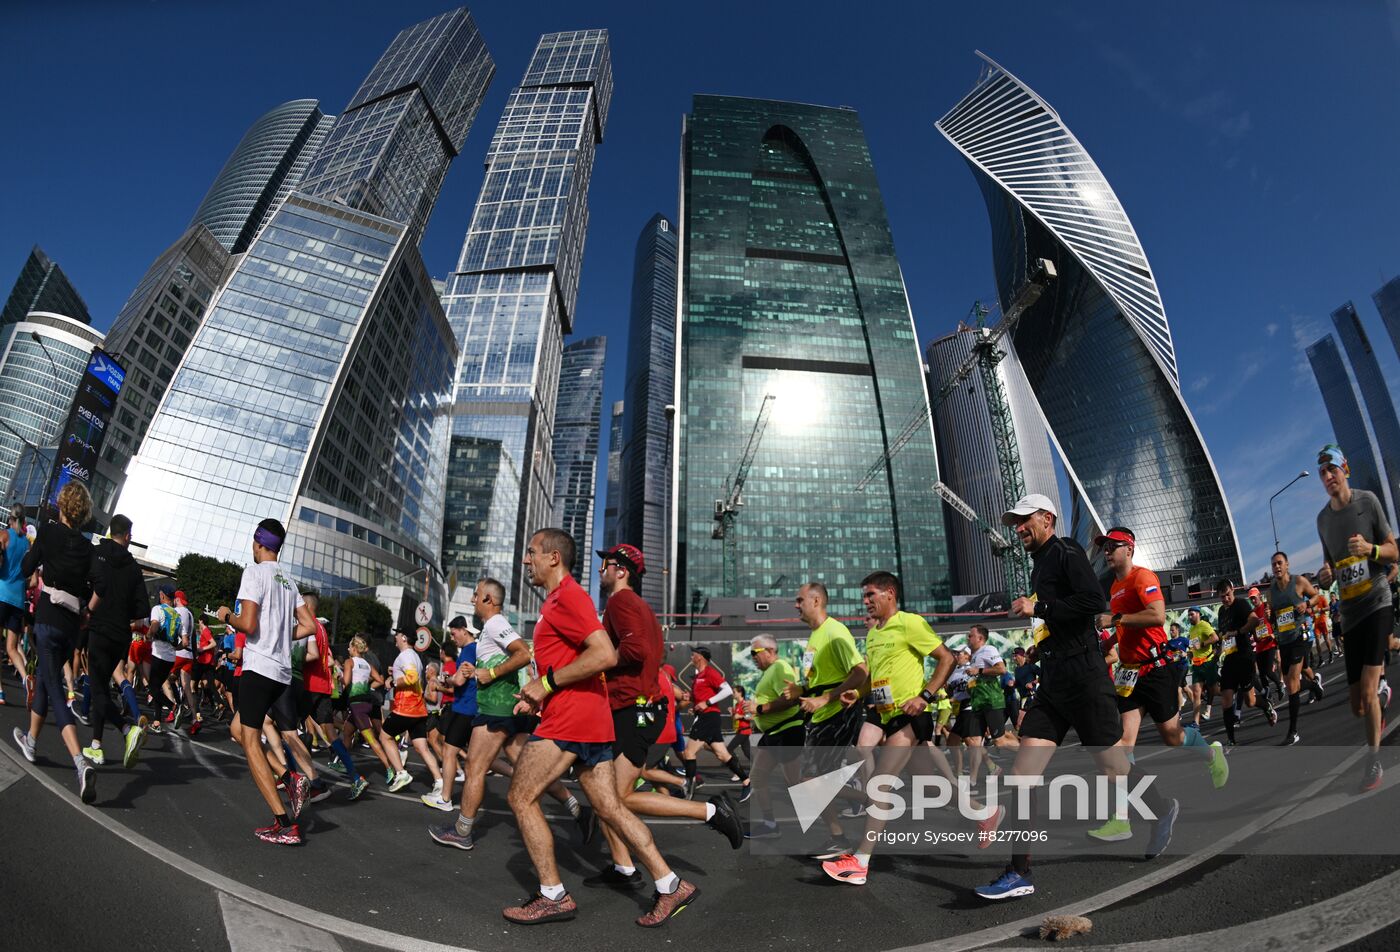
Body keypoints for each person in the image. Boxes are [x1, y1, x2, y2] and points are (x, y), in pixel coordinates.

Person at [502, 528, 698, 927]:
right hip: (592, 717)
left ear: (554, 557)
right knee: (609, 806)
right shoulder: (565, 599)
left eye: (532, 553)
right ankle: (669, 883)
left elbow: (605, 654)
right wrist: (537, 692)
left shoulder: (567, 597)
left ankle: (552, 895)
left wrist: (548, 683)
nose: (527, 561)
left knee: (521, 798)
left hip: (571, 719)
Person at [974, 494, 1129, 901]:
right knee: (1025, 772)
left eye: (1025, 520)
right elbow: (1062, 615)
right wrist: (1043, 640)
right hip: (1055, 680)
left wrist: (1038, 607)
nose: (1019, 528)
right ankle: (1019, 871)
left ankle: (1161, 806)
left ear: (1047, 519)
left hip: (1085, 676)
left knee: (1113, 767)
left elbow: (1094, 602)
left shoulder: (1064, 550)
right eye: (1016, 523)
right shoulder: (1040, 562)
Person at [586, 543, 741, 889]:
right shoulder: (639, 607)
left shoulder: (621, 602)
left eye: (606, 565)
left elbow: (635, 650)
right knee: (603, 797)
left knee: (616, 799)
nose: (601, 571)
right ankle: (624, 868)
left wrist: (596, 660)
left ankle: (712, 812)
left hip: (634, 710)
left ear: (621, 570)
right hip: (635, 708)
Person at [1085, 528, 1225, 847]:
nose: (1106, 551)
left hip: (1157, 670)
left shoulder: (1141, 576)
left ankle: (1210, 753)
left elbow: (1157, 615)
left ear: (1129, 549)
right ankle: (1121, 819)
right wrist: (1110, 641)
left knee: (1172, 737)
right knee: (1123, 745)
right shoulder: (1116, 586)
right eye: (1103, 547)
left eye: (1112, 546)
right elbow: (1124, 632)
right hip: (1130, 674)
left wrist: (1116, 620)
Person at [428, 578, 588, 850]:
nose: (472, 600)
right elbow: (503, 659)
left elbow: (523, 653)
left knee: (475, 767)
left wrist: (489, 673)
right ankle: (578, 809)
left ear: (489, 599)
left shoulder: (495, 623)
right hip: (504, 708)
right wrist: (474, 672)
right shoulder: (489, 629)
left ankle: (462, 831)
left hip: (495, 710)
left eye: (476, 595)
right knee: (526, 768)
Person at [820, 571, 957, 885]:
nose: (865, 602)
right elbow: (873, 677)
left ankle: (860, 862)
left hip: (910, 714)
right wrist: (858, 692)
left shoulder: (909, 622)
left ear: (890, 593)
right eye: (864, 596)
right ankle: (981, 811)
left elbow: (946, 659)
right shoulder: (873, 633)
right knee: (931, 787)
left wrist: (925, 696)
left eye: (871, 595)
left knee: (880, 784)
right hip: (884, 714)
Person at [215, 519, 316, 844]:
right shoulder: (288, 580)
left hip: (259, 671)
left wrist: (225, 616)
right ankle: (289, 777)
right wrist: (281, 637)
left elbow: (247, 623)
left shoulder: (254, 572)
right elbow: (310, 625)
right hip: (281, 674)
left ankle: (285, 823)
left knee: (249, 741)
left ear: (258, 544)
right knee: (238, 730)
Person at [1313, 444, 1396, 791]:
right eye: (1322, 474)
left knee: (1366, 691)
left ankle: (1373, 763)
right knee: (1357, 707)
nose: (1328, 477)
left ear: (1345, 468)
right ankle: (1382, 690)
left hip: (1377, 601)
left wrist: (1371, 550)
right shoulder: (1322, 520)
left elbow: (1393, 550)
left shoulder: (1368, 502)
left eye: (1332, 469)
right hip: (1349, 614)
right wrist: (1326, 575)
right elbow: (1329, 564)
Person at [12, 485, 98, 803]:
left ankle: (80, 762)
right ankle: (31, 740)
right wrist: (87, 609)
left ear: (62, 505)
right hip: (71, 625)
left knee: (57, 693)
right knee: (48, 684)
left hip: (47, 620)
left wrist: (34, 565)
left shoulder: (48, 532)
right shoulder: (88, 548)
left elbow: (25, 568)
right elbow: (97, 585)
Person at [82, 514, 151, 769]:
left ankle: (126, 729)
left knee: (98, 688)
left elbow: (85, 581)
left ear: (111, 532)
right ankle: (97, 745)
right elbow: (142, 607)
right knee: (102, 684)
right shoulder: (134, 568)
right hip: (120, 634)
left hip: (98, 627)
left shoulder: (97, 553)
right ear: (128, 535)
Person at [1268, 551, 1326, 745]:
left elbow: (1317, 596)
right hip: (1284, 640)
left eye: (1279, 563)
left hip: (1299, 637)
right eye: (1273, 564)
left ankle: (1293, 732)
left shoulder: (1299, 582)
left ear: (1287, 565)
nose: (1276, 567)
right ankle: (1313, 685)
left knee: (1292, 681)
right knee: (1291, 681)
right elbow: (1274, 616)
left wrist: (1306, 603)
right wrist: (1272, 620)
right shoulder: (1271, 591)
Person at [381, 629, 443, 796]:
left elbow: (412, 677)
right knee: (422, 748)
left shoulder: (405, 655)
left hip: (405, 708)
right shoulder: (415, 656)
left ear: (403, 637)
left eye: (397, 634)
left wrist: (394, 682)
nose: (394, 637)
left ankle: (401, 773)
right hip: (419, 709)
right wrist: (394, 673)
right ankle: (439, 781)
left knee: (384, 736)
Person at [424, 616, 476, 810]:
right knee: (475, 758)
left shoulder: (469, 651)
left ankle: (445, 799)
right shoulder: (472, 650)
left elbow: (460, 681)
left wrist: (449, 680)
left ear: (463, 630)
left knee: (449, 752)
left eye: (454, 633)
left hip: (463, 708)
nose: (453, 639)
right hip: (467, 708)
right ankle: (516, 772)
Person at [1215, 579, 1275, 744]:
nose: (1226, 599)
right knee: (1226, 699)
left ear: (1232, 590)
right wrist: (1217, 651)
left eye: (1227, 595)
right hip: (1229, 660)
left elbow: (1254, 620)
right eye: (1222, 597)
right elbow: (1223, 635)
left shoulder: (1240, 604)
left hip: (1244, 657)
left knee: (1250, 701)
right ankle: (1231, 740)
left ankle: (1267, 706)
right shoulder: (1221, 611)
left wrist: (1239, 632)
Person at [0, 507, 31, 707]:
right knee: (12, 648)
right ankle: (25, 678)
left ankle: (1, 692)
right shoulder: (27, 543)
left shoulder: (4, 535)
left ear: (10, 518)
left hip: (2, 594)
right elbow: (33, 580)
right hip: (18, 599)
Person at [1184, 607, 1220, 727]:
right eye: (1188, 615)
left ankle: (1230, 695)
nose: (1190, 617)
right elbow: (1193, 646)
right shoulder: (1191, 629)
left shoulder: (1204, 625)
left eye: (1192, 614)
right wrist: (1189, 653)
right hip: (1196, 665)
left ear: (1198, 614)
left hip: (1207, 663)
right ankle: (1196, 723)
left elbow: (1215, 638)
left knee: (1214, 690)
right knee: (1196, 693)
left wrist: (1203, 644)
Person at [727, 685, 753, 769]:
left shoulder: (744, 704)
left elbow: (750, 717)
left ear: (740, 693)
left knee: (729, 750)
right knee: (747, 752)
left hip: (744, 731)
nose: (732, 694)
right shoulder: (737, 705)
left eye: (734, 692)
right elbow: (735, 718)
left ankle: (738, 771)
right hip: (740, 731)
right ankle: (761, 766)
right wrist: (732, 713)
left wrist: (740, 716)